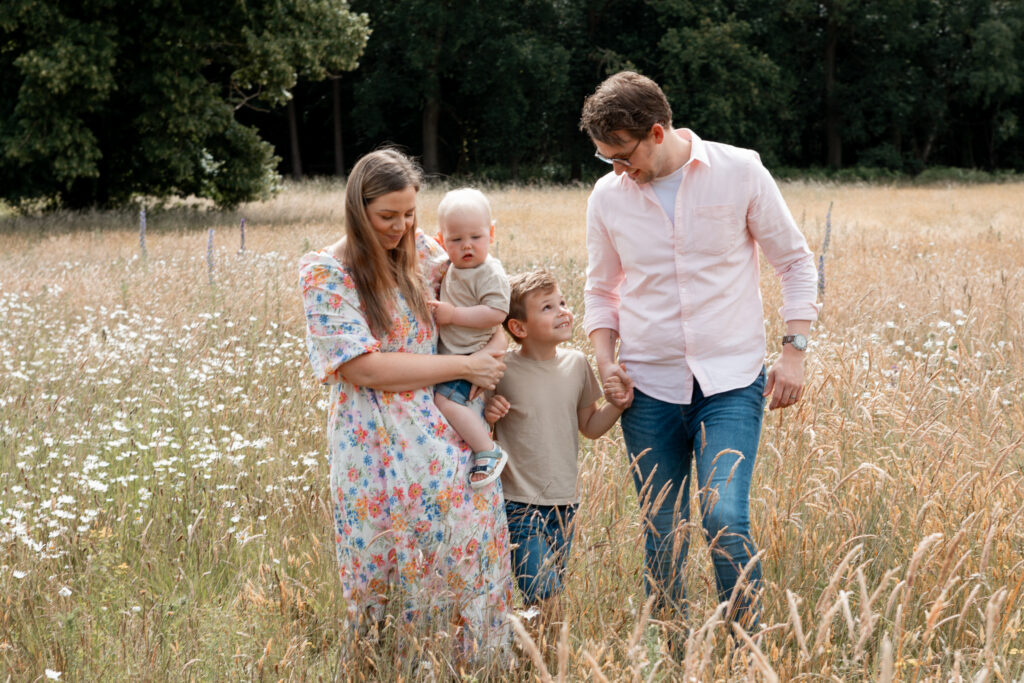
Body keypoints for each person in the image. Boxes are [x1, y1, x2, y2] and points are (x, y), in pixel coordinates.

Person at [578, 71, 821, 632]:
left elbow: (795, 263)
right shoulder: (607, 197)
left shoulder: (740, 171)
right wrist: (605, 359)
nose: (616, 169)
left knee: (724, 517)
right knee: (660, 529)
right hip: (647, 390)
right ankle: (670, 648)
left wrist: (794, 351)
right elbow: (600, 289)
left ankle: (744, 649)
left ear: (656, 133)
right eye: (605, 158)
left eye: (621, 155)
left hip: (732, 384)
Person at [298, 149, 513, 657]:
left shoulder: (425, 252)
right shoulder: (327, 274)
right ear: (358, 209)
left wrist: (491, 356)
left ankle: (467, 662)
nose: (401, 227)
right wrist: (463, 368)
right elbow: (365, 369)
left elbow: (487, 304)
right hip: (370, 441)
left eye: (410, 213)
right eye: (387, 216)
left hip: (443, 426)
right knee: (384, 554)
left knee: (465, 541)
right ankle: (392, 662)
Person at [483, 270, 631, 639]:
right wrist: (489, 414)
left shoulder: (577, 364)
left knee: (541, 605)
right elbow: (482, 429)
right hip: (518, 503)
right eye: (548, 307)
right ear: (518, 327)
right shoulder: (503, 369)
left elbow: (590, 426)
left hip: (565, 505)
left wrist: (617, 405)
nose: (563, 311)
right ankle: (549, 663)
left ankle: (533, 660)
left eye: (562, 302)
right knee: (545, 594)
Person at [429, 188, 511, 490]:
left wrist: (453, 316)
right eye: (456, 239)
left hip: (472, 355)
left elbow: (496, 313)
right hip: (457, 355)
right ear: (440, 241)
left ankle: (487, 450)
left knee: (445, 401)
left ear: (490, 234)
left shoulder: (488, 271)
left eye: (476, 238)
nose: (467, 246)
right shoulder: (453, 267)